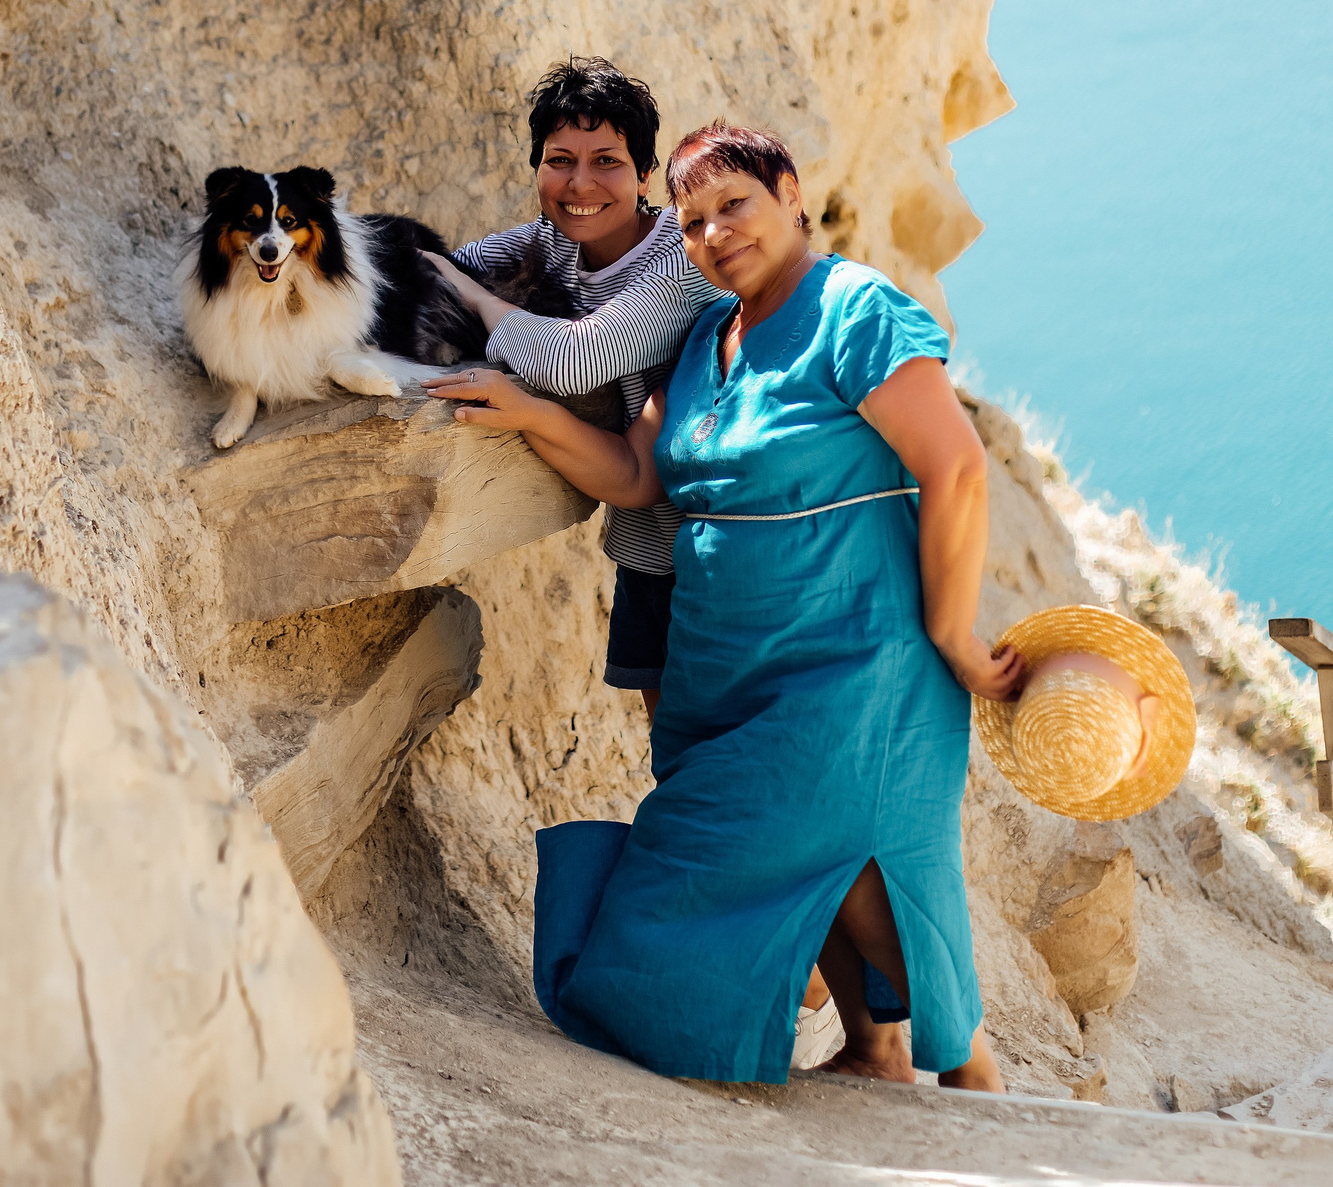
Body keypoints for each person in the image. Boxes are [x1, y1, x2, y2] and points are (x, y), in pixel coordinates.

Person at [424, 124, 1021, 1088]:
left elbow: (954, 466)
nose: (713, 233)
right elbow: (633, 473)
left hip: (853, 664)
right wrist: (530, 410)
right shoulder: (706, 336)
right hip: (723, 673)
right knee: (798, 864)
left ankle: (971, 1070)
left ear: (791, 193)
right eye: (693, 221)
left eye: (733, 204)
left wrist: (953, 630)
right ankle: (877, 1054)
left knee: (841, 859)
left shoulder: (854, 307)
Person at [425, 59, 725, 715]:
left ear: (646, 174)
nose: (580, 183)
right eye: (560, 160)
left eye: (607, 161)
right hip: (650, 549)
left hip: (726, 557)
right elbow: (442, 270)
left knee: (739, 768)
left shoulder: (686, 259)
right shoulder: (549, 245)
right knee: (678, 762)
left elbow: (572, 362)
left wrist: (476, 301)